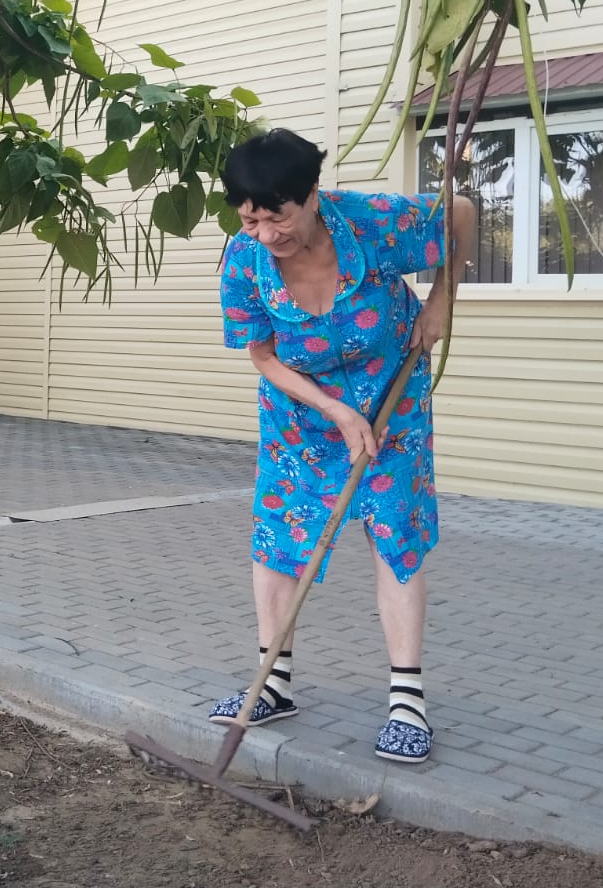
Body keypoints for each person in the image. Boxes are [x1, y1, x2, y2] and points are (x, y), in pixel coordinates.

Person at [210, 129, 476, 764]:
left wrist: (443, 297)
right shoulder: (244, 262)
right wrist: (333, 409)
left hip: (393, 401)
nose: (265, 234)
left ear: (312, 196)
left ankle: (407, 702)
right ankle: (273, 683)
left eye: (278, 217)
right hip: (301, 418)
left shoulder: (371, 223)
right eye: (250, 219)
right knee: (280, 538)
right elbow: (263, 356)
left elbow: (463, 211)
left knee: (394, 534)